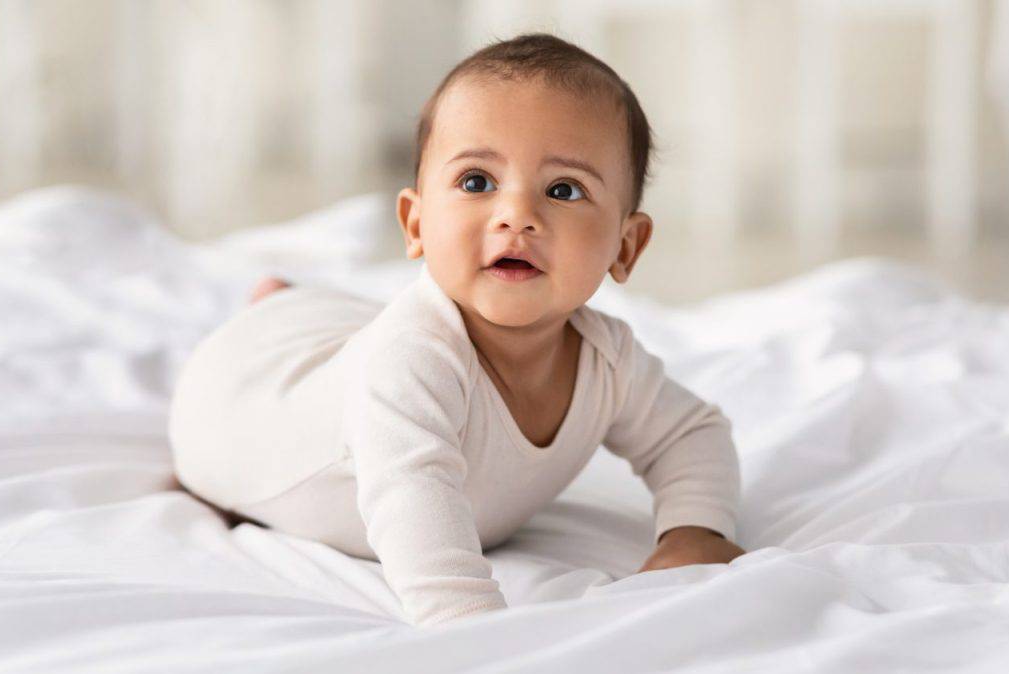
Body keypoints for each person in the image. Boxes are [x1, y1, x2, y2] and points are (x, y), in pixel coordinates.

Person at [169, 32, 746, 628]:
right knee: (350, 342)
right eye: (476, 182)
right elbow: (415, 511)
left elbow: (692, 433)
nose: (516, 214)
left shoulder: (607, 358)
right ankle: (273, 307)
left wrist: (694, 531)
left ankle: (287, 302)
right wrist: (472, 627)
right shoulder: (411, 361)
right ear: (416, 224)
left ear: (626, 246)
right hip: (241, 397)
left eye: (563, 190)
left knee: (355, 332)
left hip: (347, 345)